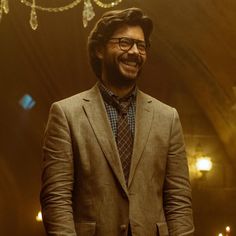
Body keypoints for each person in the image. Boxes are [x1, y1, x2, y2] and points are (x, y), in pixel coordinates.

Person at [40, 7, 194, 236]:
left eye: (141, 46)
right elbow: (57, 198)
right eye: (124, 43)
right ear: (100, 49)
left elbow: (179, 201)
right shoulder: (66, 114)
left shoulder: (167, 117)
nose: (135, 52)